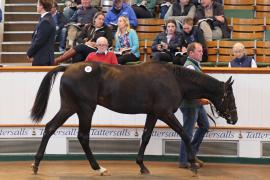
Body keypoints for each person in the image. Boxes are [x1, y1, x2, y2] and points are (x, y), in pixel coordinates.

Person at [179, 42, 209, 168]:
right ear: (191, 53)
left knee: (204, 126)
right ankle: (184, 160)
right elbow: (189, 89)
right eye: (199, 51)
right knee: (188, 132)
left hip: (195, 102)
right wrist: (200, 99)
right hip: (190, 104)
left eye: (202, 51)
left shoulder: (194, 65)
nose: (202, 53)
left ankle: (192, 154)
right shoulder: (190, 67)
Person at [27, 0, 56, 66]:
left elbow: (39, 41)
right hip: (41, 57)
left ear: (41, 6)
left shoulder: (46, 21)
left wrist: (29, 53)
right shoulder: (45, 19)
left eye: (37, 4)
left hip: (43, 59)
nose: (36, 6)